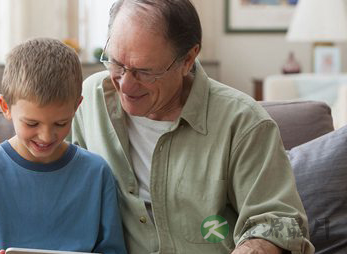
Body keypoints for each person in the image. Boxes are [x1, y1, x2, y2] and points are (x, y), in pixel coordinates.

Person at [69, 0, 315, 253]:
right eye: (116, 63)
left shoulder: (244, 122)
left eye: (145, 72)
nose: (126, 85)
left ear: (187, 59)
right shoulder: (89, 99)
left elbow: (279, 223)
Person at [0, 38, 127, 254]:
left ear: (76, 107)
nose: (46, 137)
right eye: (32, 123)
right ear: (5, 107)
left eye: (61, 123)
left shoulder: (97, 173)